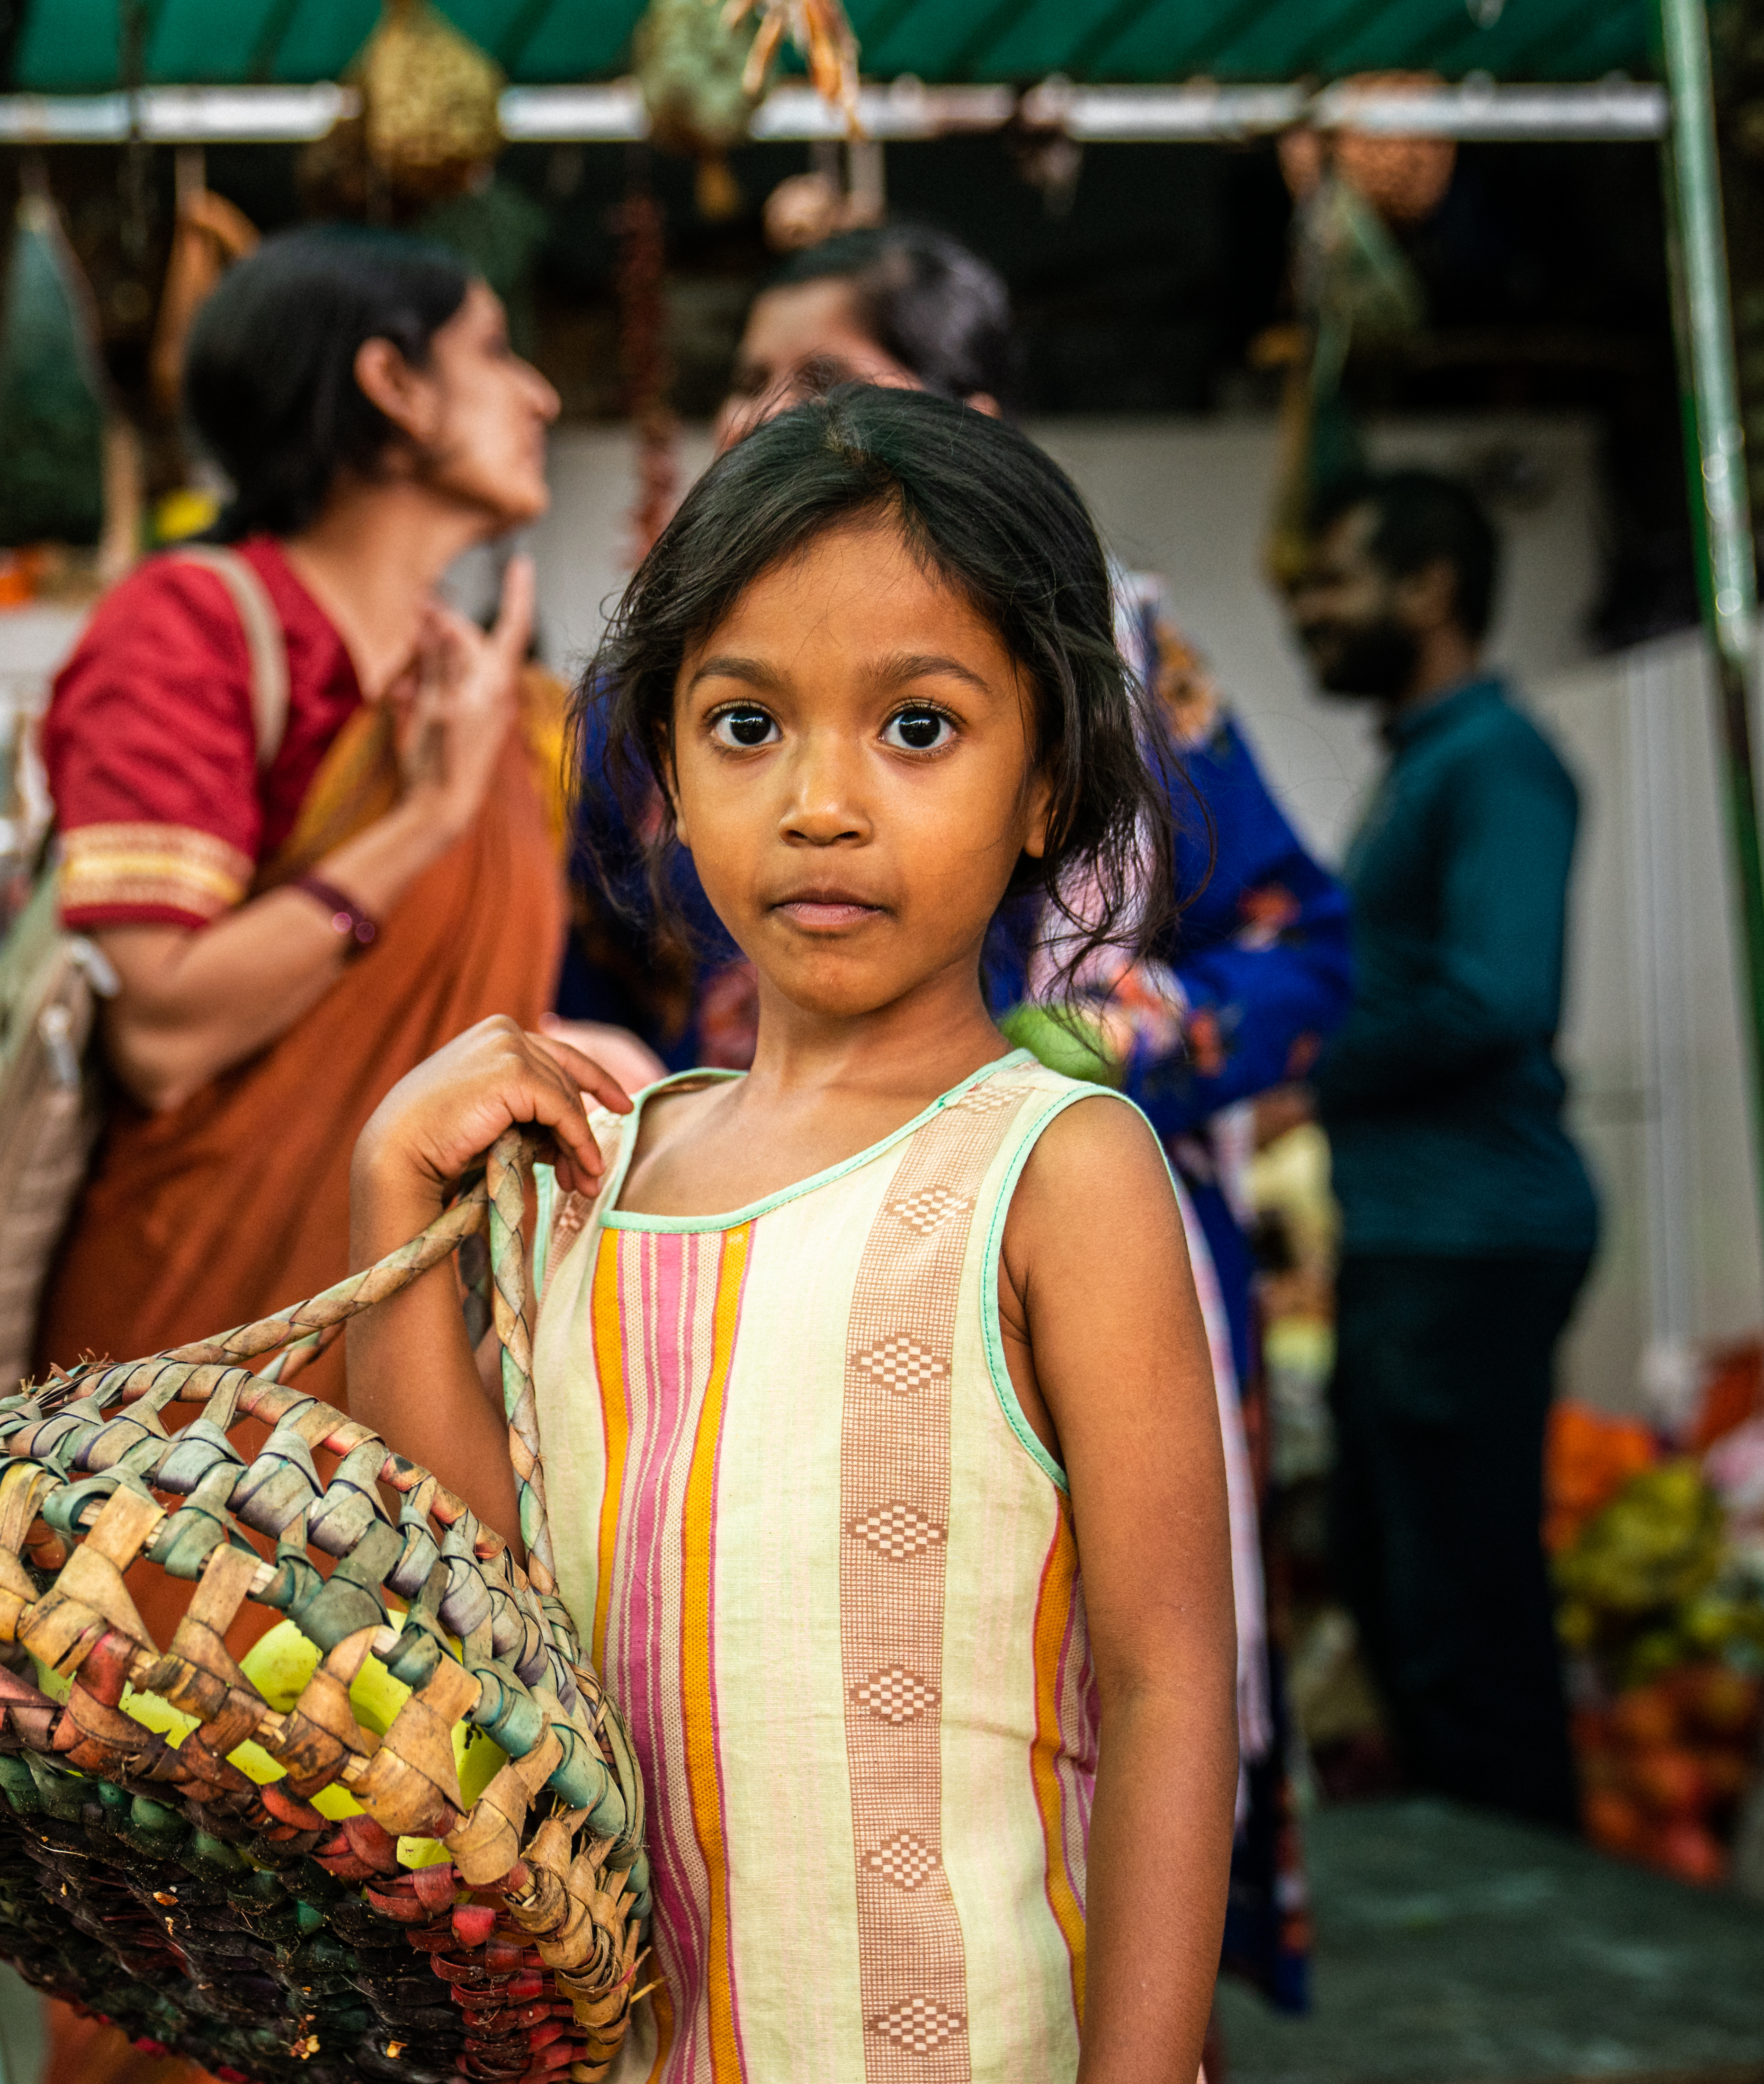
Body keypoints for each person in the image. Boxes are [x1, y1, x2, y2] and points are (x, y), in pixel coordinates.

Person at [355, 386, 1238, 2084]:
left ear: (1046, 781)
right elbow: (482, 1640)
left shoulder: (1053, 1171)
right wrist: (388, 1189)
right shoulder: (603, 1179)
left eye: (916, 730)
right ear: (669, 775)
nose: (821, 803)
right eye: (747, 726)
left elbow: (1170, 1688)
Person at [563, 218, 1344, 2010]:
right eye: (749, 376)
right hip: (726, 1233)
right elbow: (601, 948)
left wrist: (1129, 1035)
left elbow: (1309, 949)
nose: (764, 411)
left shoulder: (1129, 655)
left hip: (1012, 1220)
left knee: (1083, 1666)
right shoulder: (660, 679)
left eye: (818, 378)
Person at [34, 226, 564, 1402]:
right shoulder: (192, 634)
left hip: (431, 1361)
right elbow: (163, 1035)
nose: (541, 392)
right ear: (391, 386)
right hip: (195, 1372)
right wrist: (424, 815)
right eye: (491, 351)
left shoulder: (492, 698)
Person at [1291, 466, 1598, 1832]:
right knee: (1399, 1586)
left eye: (1334, 581)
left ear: (1430, 590)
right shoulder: (1426, 761)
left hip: (1473, 1234)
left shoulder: (1499, 767)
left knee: (1461, 1616)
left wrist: (1295, 1059)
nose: (1308, 612)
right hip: (1415, 1231)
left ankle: (1542, 1921)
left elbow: (1493, 996)